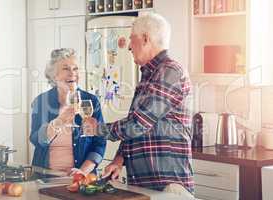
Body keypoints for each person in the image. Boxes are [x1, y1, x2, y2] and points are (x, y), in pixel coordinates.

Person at [83, 13, 194, 197]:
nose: (128, 46)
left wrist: (98, 129)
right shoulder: (149, 75)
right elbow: (139, 126)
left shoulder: (170, 72)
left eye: (131, 39)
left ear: (145, 39)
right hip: (148, 185)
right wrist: (119, 159)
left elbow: (137, 124)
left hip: (168, 187)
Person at [30, 48, 106, 175]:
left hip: (81, 178)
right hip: (46, 177)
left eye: (75, 68)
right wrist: (59, 121)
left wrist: (82, 172)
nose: (72, 73)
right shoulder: (41, 101)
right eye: (66, 69)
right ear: (54, 75)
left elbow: (100, 142)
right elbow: (36, 140)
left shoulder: (91, 101)